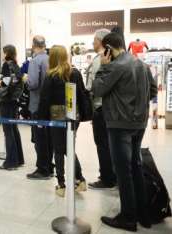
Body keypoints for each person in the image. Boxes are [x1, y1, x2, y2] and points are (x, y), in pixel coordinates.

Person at [93, 32, 157, 232]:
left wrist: (103, 66)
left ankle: (128, 218)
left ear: (109, 48)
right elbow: (153, 90)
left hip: (120, 124)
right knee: (135, 166)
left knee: (123, 172)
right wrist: (135, 104)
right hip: (139, 123)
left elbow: (97, 89)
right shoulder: (141, 65)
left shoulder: (114, 66)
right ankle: (142, 214)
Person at [38, 45, 87, 197]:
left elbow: (44, 100)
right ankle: (80, 179)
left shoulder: (51, 76)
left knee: (59, 150)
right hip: (74, 116)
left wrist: (41, 119)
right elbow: (82, 94)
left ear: (52, 57)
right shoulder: (76, 73)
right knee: (69, 147)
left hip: (57, 116)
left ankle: (61, 184)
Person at [86, 29, 117, 190]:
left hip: (100, 108)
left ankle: (107, 178)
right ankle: (112, 175)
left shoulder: (100, 60)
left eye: (94, 39)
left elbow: (93, 87)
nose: (92, 42)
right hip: (110, 108)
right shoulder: (112, 57)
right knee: (110, 144)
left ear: (100, 40)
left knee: (102, 144)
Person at [0, 45, 25, 170]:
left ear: (6, 53)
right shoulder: (16, 65)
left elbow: (5, 82)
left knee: (8, 131)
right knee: (14, 129)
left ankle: (11, 162)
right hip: (14, 100)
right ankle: (18, 159)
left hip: (6, 100)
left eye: (3, 52)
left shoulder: (6, 65)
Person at [25, 35, 53, 180]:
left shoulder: (35, 61)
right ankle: (49, 166)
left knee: (40, 138)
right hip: (50, 106)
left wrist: (25, 80)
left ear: (33, 45)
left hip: (37, 105)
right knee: (49, 138)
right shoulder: (50, 59)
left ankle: (42, 169)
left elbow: (33, 83)